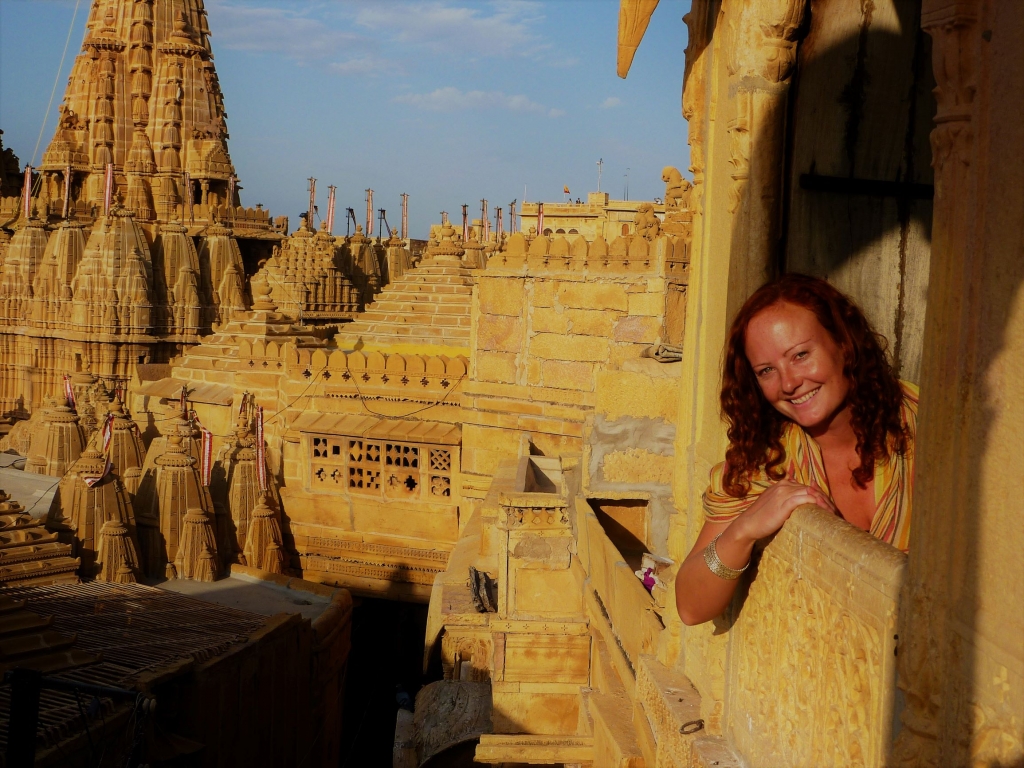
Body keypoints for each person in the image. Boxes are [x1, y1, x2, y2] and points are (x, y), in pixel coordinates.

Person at [674, 274, 917, 626]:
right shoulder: (765, 461)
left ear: (843, 344)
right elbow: (691, 606)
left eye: (801, 355)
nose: (788, 383)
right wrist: (744, 529)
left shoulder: (933, 431)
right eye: (767, 370)